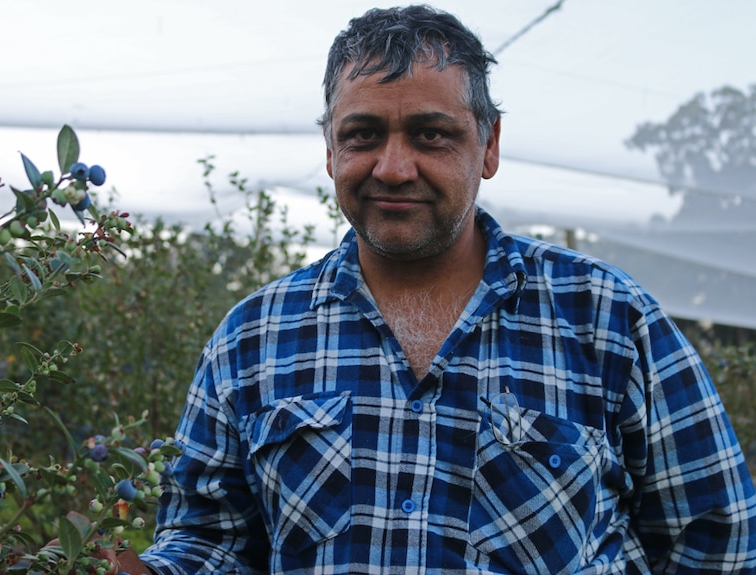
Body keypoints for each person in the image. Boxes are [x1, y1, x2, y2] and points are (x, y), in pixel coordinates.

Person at [117, 4, 756, 574]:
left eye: (431, 134)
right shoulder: (252, 338)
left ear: (489, 146)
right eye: (363, 135)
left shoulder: (609, 319)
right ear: (331, 149)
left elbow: (716, 542)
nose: (394, 168)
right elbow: (212, 540)